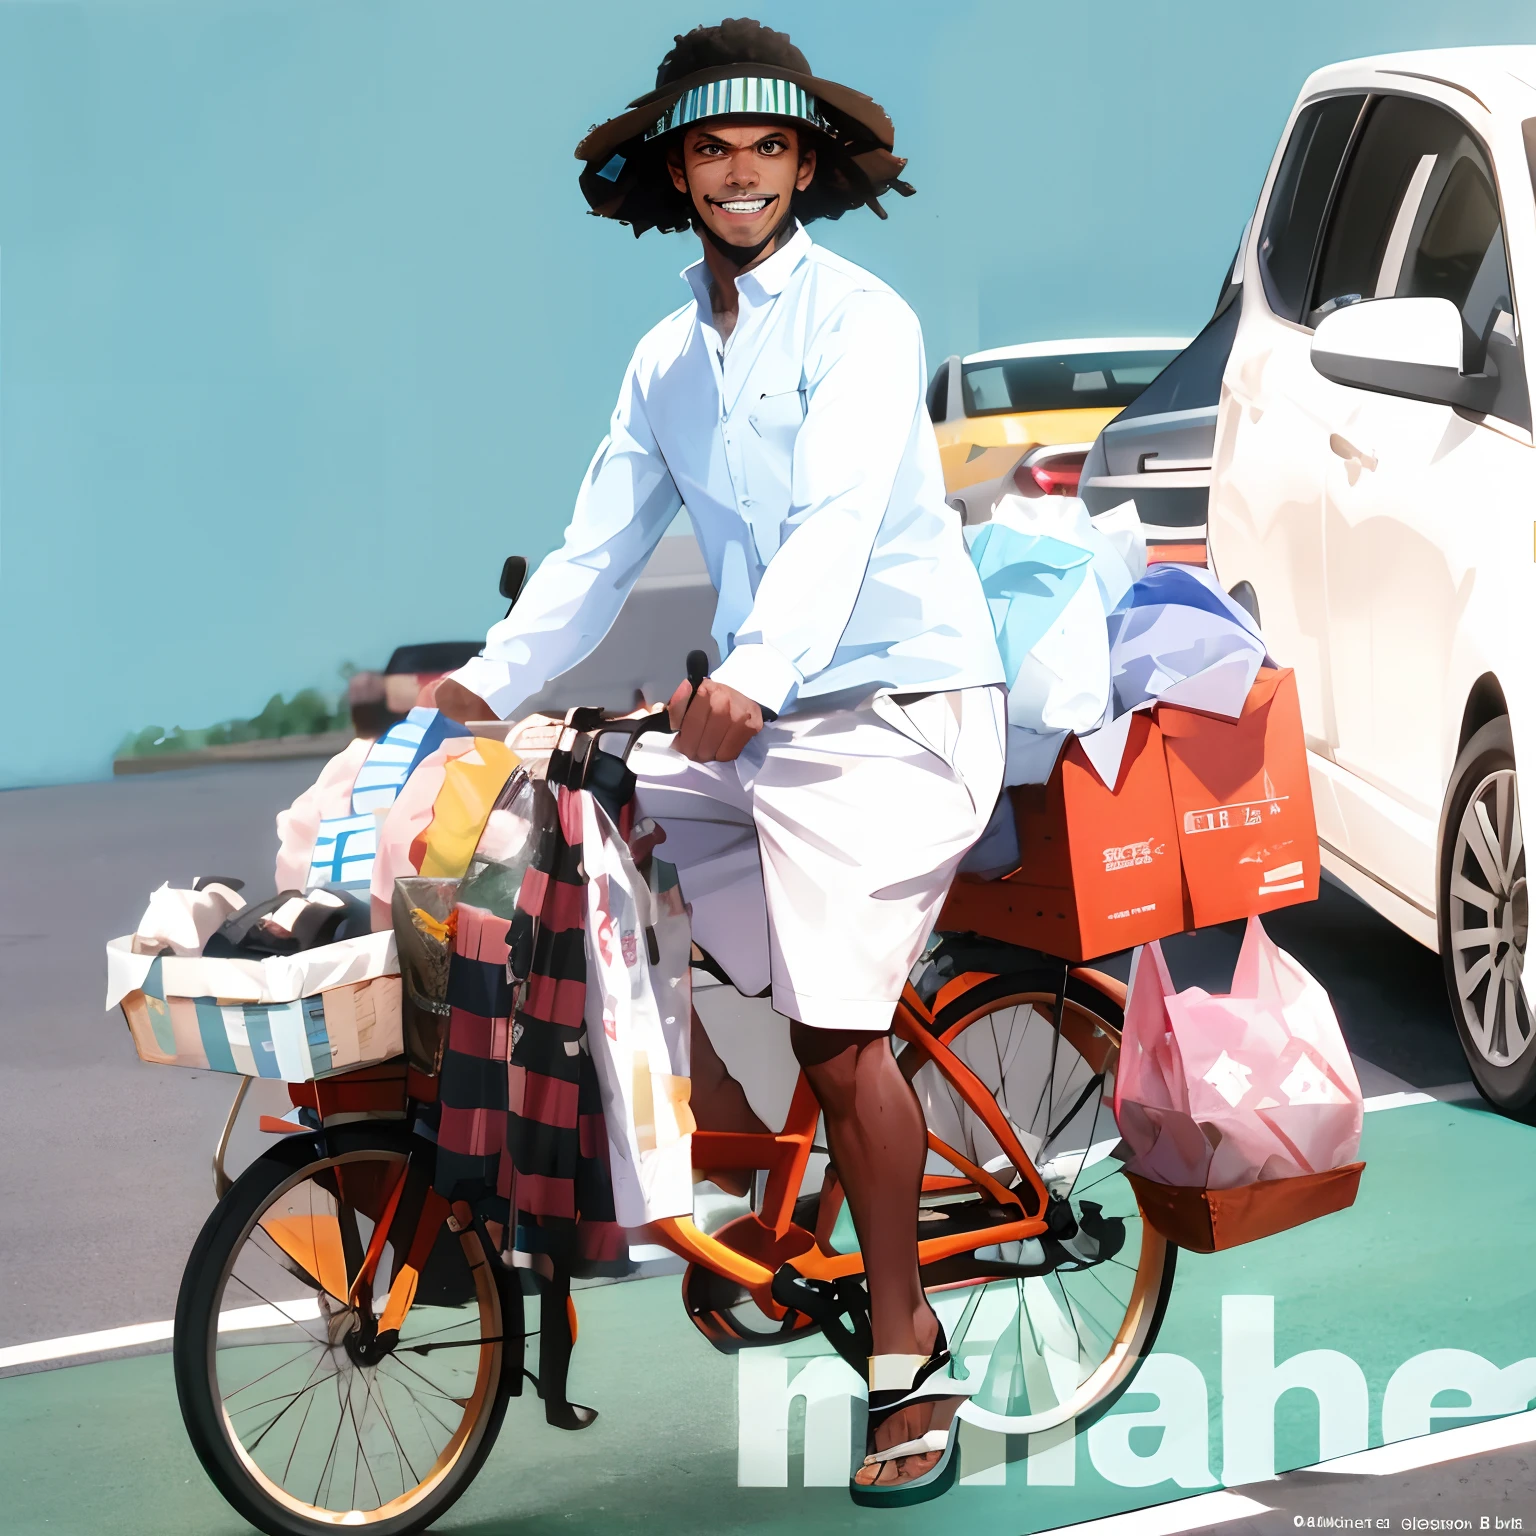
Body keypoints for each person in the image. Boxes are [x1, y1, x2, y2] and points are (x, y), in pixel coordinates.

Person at [428, 19, 1005, 1505]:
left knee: (833, 1029)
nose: (738, 173)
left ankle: (904, 1353)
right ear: (675, 171)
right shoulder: (664, 358)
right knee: (563, 844)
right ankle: (754, 1180)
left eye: (766, 148)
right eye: (711, 149)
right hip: (759, 726)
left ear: (804, 164)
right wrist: (481, 688)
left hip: (896, 710)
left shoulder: (863, 322)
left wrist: (751, 675)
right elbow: (597, 548)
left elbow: (832, 524)